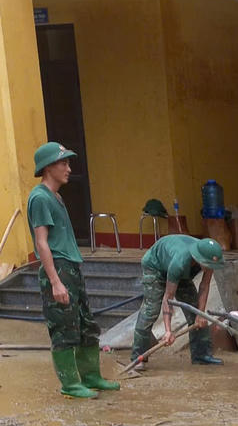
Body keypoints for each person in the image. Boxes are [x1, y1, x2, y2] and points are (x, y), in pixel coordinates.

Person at [27, 142, 119, 399]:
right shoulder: (40, 198)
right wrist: (55, 281)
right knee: (64, 327)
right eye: (63, 163)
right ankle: (70, 384)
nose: (69, 168)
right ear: (48, 167)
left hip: (71, 266)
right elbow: (42, 242)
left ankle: (91, 376)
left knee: (86, 324)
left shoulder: (56, 196)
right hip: (58, 267)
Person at [130, 234, 226, 367]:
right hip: (155, 266)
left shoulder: (208, 257)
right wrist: (168, 331)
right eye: (208, 264)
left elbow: (204, 286)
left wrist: (200, 314)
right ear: (199, 258)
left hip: (179, 269)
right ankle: (138, 357)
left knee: (196, 312)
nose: (210, 267)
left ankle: (201, 355)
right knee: (151, 310)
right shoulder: (179, 262)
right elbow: (168, 298)